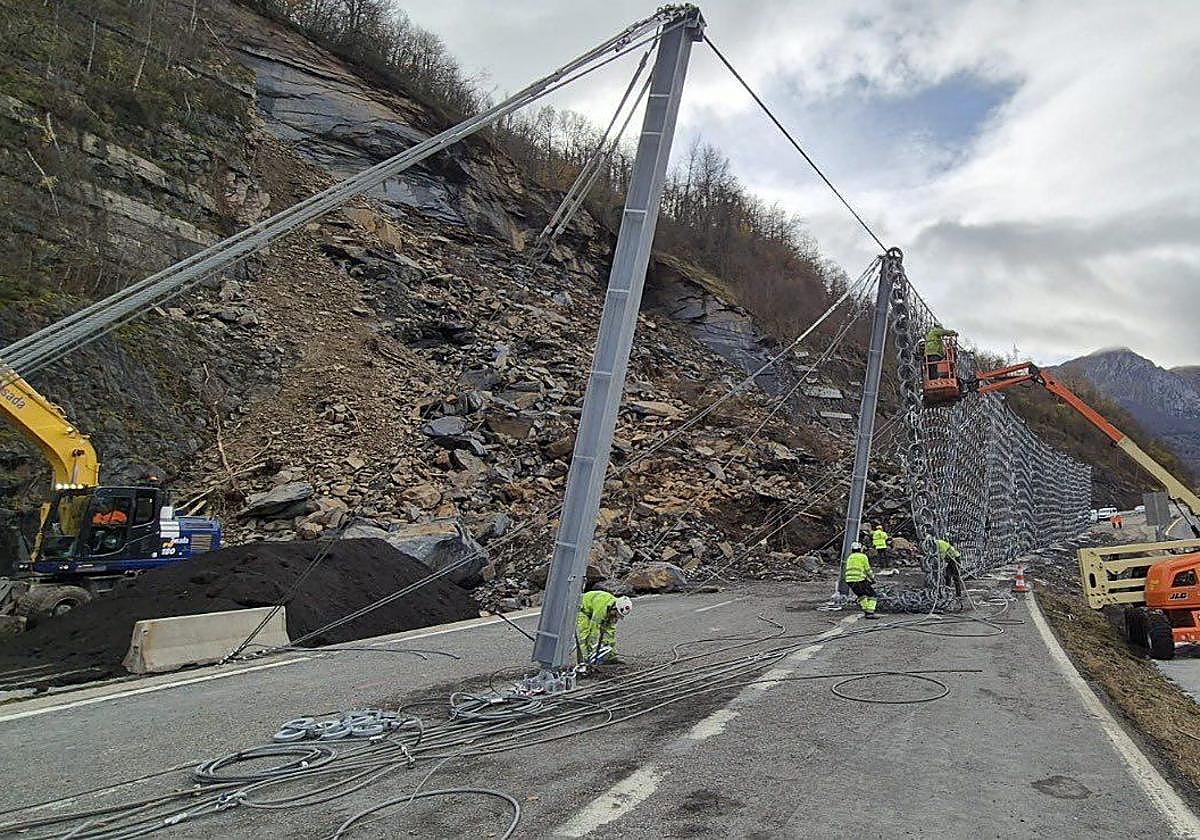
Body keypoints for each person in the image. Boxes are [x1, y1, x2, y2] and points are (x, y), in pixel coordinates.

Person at [576, 590, 633, 665]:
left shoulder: (613, 608)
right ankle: (586, 660)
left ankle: (610, 657)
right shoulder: (601, 608)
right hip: (583, 611)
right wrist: (594, 651)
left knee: (609, 633)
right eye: (616, 615)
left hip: (595, 609)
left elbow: (610, 633)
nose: (616, 618)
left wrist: (612, 653)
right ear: (614, 608)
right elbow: (594, 630)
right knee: (585, 635)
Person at [843, 542, 879, 619]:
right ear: (860, 549)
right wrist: (873, 579)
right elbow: (867, 570)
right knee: (873, 595)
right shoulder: (863, 556)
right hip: (859, 580)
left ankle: (866, 610)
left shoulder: (850, 557)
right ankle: (870, 612)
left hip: (849, 580)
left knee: (861, 595)